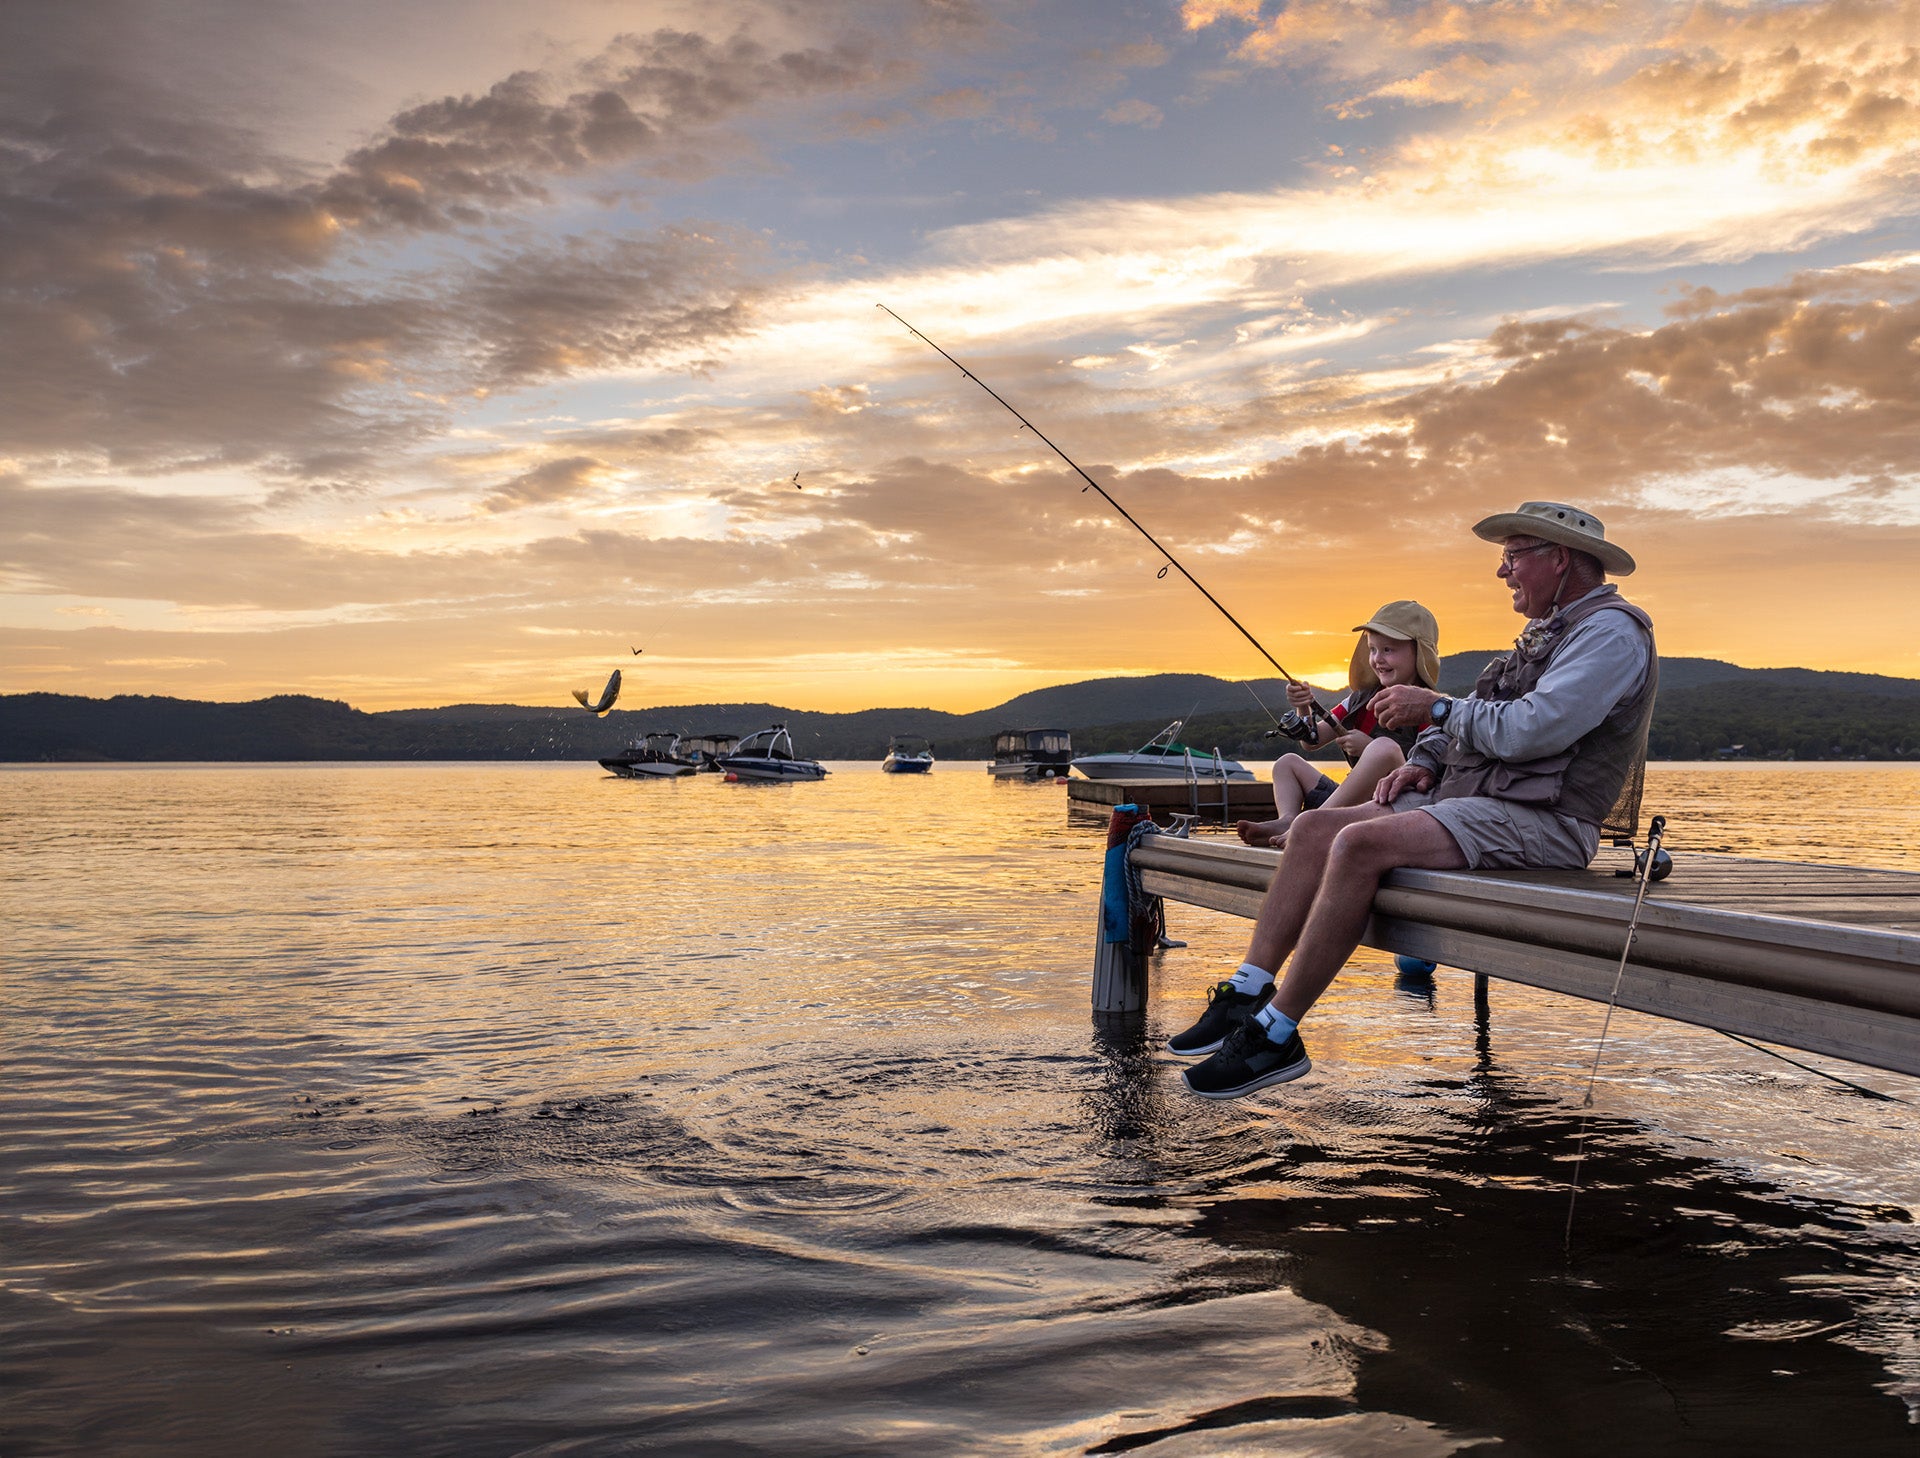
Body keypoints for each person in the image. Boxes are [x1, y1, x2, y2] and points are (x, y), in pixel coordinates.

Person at [1166, 501, 1657, 1098]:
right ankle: (1248, 989)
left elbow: (1536, 727)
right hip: (1479, 803)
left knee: (1356, 840)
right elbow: (1466, 724)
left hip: (1549, 822)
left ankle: (1277, 1033)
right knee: (1316, 830)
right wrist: (1423, 763)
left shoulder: (1611, 632)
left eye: (1512, 557)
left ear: (1558, 559)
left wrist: (1440, 709)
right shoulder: (1545, 634)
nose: (1503, 573)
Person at [1235, 601, 1441, 849]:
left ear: (1419, 653)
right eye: (1372, 650)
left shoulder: (1430, 708)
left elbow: (1428, 773)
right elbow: (1311, 741)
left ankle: (1311, 824)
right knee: (1286, 763)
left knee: (1384, 748)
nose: (1377, 659)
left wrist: (1369, 748)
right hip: (1344, 805)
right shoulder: (1359, 700)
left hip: (1393, 807)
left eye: (1388, 650)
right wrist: (1303, 706)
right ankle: (1289, 820)